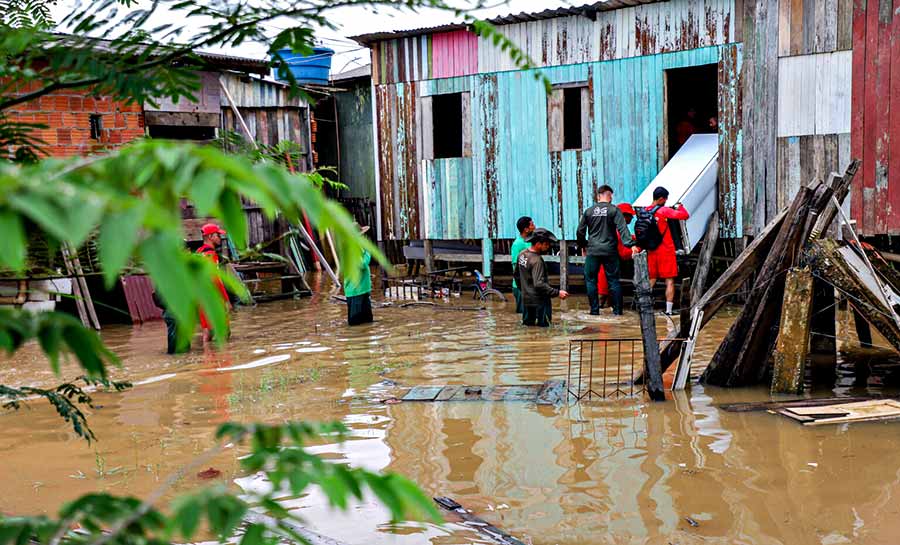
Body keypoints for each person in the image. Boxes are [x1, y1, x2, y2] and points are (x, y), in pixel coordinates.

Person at [576, 185, 636, 316]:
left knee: (591, 280)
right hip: (610, 251)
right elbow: (623, 230)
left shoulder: (588, 211)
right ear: (610, 196)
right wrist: (631, 244)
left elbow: (580, 232)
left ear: (598, 196)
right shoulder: (614, 210)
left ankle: (594, 311)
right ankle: (617, 312)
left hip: (593, 250)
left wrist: (583, 245)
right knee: (614, 281)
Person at [635, 187, 690, 315]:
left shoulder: (644, 211)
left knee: (651, 279)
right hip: (666, 250)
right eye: (665, 199)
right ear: (661, 199)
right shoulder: (663, 210)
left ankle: (642, 307)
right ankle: (668, 311)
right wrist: (680, 206)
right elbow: (684, 215)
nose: (666, 201)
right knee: (669, 280)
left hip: (651, 250)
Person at [517, 228, 568, 327]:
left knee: (528, 327)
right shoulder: (537, 261)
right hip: (540, 301)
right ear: (538, 244)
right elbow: (539, 284)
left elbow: (517, 276)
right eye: (546, 244)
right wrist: (557, 292)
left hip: (526, 300)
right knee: (544, 328)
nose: (548, 247)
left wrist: (525, 291)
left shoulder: (522, 255)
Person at [596, 203, 637, 309]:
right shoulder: (617, 231)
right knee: (604, 299)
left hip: (601, 265)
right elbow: (623, 254)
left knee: (605, 300)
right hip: (607, 269)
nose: (632, 218)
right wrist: (639, 247)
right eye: (630, 216)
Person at [197, 223, 231, 343]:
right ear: (210, 236)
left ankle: (208, 358)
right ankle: (224, 359)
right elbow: (215, 279)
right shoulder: (211, 255)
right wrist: (226, 300)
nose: (220, 238)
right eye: (218, 235)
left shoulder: (199, 252)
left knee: (206, 332)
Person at [344, 224, 374, 326]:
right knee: (355, 323)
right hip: (356, 290)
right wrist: (368, 252)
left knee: (367, 322)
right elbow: (362, 264)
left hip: (362, 289)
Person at [510, 216, 535, 314]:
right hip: (520, 285)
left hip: (530, 284)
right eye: (532, 225)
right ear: (526, 229)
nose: (534, 226)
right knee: (522, 314)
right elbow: (515, 266)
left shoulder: (531, 241)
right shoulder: (517, 244)